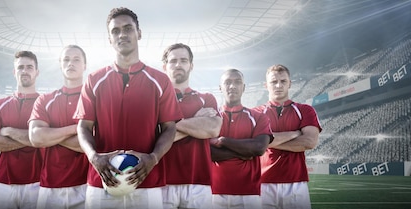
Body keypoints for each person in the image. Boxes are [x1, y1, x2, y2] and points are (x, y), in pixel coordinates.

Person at [74, 7, 183, 209]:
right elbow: (83, 127)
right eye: (115, 31)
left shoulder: (160, 81)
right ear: (109, 38)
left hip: (147, 183)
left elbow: (169, 128)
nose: (122, 34)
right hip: (103, 183)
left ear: (138, 33)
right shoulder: (94, 80)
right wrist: (94, 157)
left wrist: (153, 158)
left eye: (128, 28)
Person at [160, 43, 222, 209]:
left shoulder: (207, 98)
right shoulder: (155, 99)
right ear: (165, 66)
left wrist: (170, 126)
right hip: (161, 182)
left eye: (183, 60)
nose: (178, 65)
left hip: (199, 182)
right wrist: (195, 120)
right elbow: (153, 139)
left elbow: (213, 129)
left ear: (191, 65)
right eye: (173, 61)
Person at [28, 45, 89, 209]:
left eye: (76, 59)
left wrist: (51, 136)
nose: (71, 63)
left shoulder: (95, 99)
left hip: (88, 185)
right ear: (60, 64)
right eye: (66, 59)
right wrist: (78, 129)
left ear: (85, 65)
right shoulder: (45, 100)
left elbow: (94, 143)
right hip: (50, 186)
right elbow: (36, 138)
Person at [254, 64, 322, 209]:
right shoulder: (256, 113)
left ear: (290, 83)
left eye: (283, 81)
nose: (278, 85)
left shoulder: (305, 110)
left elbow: (309, 142)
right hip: (262, 184)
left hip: (296, 183)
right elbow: (254, 144)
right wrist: (294, 133)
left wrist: (266, 142)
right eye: (273, 82)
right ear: (266, 85)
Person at [0, 51, 42, 209]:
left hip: (40, 182)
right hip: (3, 184)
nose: (25, 70)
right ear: (14, 72)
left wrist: (8, 131)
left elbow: (48, 141)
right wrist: (34, 140)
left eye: (29, 67)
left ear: (37, 72)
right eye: (20, 67)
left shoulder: (46, 104)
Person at [209, 69, 272, 209]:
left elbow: (259, 148)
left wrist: (224, 141)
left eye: (237, 82)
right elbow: (207, 153)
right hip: (213, 192)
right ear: (220, 88)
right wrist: (243, 151)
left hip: (249, 194)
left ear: (243, 87)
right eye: (227, 82)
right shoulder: (211, 118)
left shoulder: (259, 117)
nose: (232, 86)